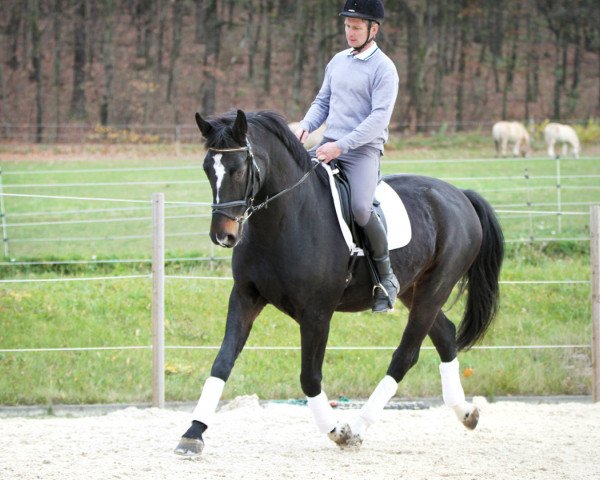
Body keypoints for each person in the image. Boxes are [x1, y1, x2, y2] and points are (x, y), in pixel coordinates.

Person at [295, 0, 399, 313]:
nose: (349, 32)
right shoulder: (338, 61)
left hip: (362, 151)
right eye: (346, 26)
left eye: (356, 27)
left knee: (360, 209)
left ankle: (386, 278)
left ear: (373, 29)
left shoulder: (385, 69)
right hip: (328, 145)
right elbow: (322, 102)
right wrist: (305, 126)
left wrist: (341, 146)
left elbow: (378, 120)